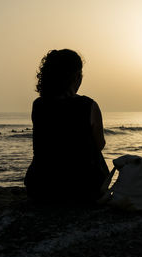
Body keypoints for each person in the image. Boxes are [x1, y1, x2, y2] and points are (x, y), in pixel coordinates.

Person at [25, 49, 109, 203]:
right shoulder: (88, 105)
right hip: (82, 189)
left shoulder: (38, 105)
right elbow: (99, 145)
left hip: (41, 187)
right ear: (76, 76)